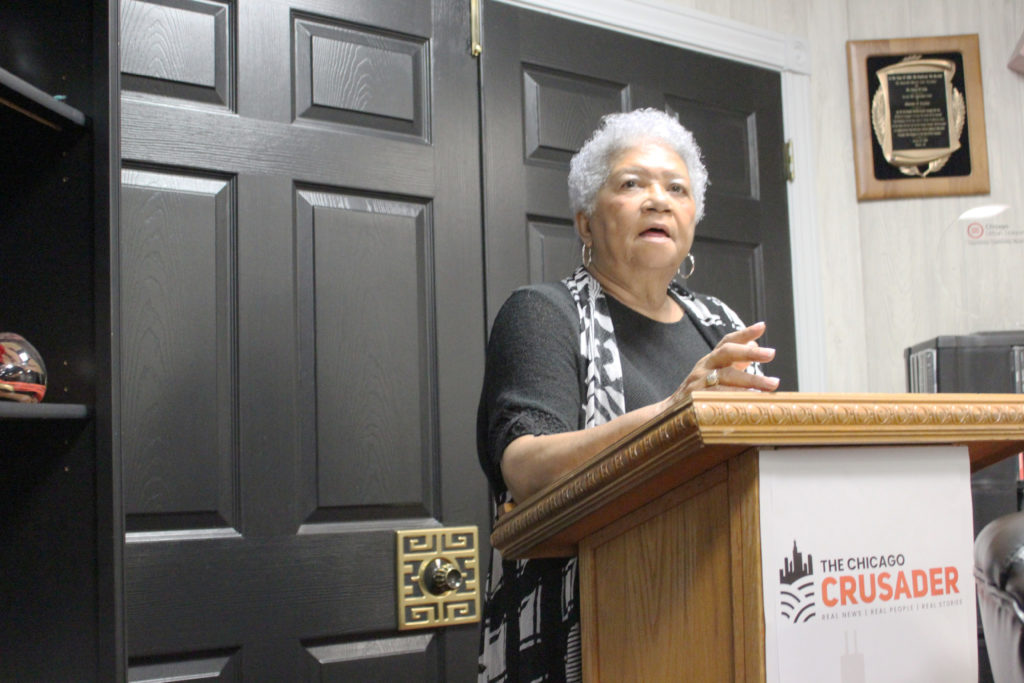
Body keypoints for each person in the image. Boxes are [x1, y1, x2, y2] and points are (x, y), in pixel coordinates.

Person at [476, 108, 780, 682]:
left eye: (677, 189)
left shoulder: (720, 323)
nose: (658, 200)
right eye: (632, 184)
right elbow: (525, 469)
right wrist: (674, 414)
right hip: (587, 625)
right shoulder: (543, 314)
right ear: (586, 223)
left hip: (714, 609)